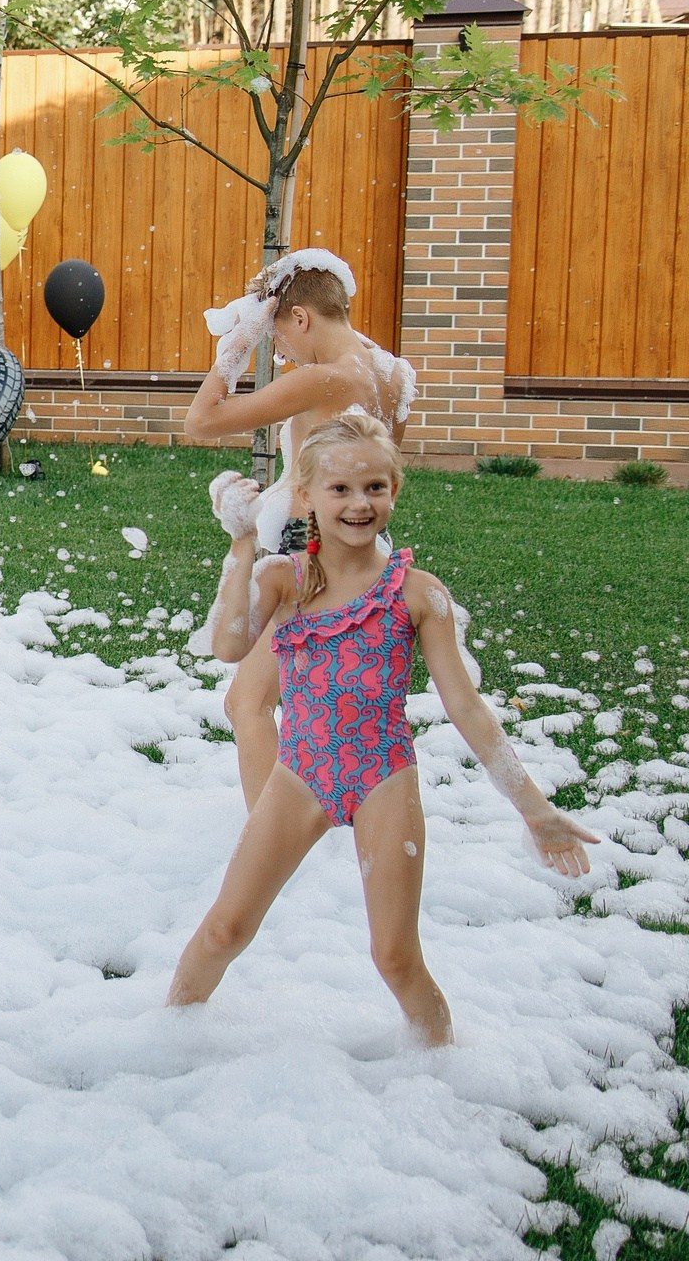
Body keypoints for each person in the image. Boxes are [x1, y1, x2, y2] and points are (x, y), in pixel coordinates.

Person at [166, 411, 595, 1045]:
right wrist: (239, 544)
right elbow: (230, 646)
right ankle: (167, 1037)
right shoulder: (284, 581)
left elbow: (467, 707)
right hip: (301, 775)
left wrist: (534, 807)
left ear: (395, 490)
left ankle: (442, 1065)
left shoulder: (417, 593)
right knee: (225, 930)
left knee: (395, 958)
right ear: (306, 497)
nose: (359, 504)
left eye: (375, 488)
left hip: (382, 776)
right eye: (340, 490)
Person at [185, 251, 416, 808]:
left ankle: (271, 842)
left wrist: (237, 345)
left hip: (307, 556)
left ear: (302, 318)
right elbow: (368, 471)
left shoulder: (326, 379)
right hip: (359, 553)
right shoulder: (391, 374)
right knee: (311, 704)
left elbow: (201, 421)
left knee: (247, 702)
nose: (280, 350)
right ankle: (325, 812)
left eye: (279, 335)